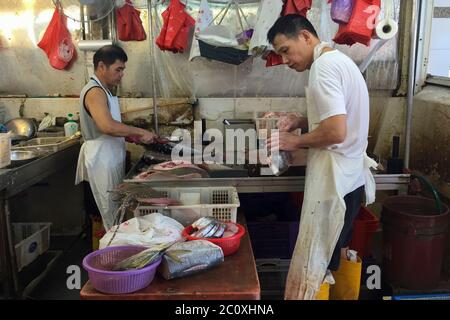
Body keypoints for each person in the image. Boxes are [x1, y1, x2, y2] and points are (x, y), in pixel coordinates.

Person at [266, 15, 377, 300]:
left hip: (334, 183)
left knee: (317, 264)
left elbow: (336, 130)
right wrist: (300, 120)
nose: (285, 61)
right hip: (348, 180)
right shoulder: (340, 62)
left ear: (305, 36)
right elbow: (338, 114)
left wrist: (296, 140)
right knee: (334, 254)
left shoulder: (323, 68)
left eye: (285, 51)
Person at [75, 45, 156, 231]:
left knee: (116, 210)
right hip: (102, 159)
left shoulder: (106, 90)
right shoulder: (95, 91)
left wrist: (132, 137)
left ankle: (116, 249)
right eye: (118, 69)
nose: (121, 74)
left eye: (123, 70)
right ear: (101, 66)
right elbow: (107, 126)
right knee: (110, 215)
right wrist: (139, 131)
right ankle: (110, 254)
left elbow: (112, 127)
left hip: (110, 156)